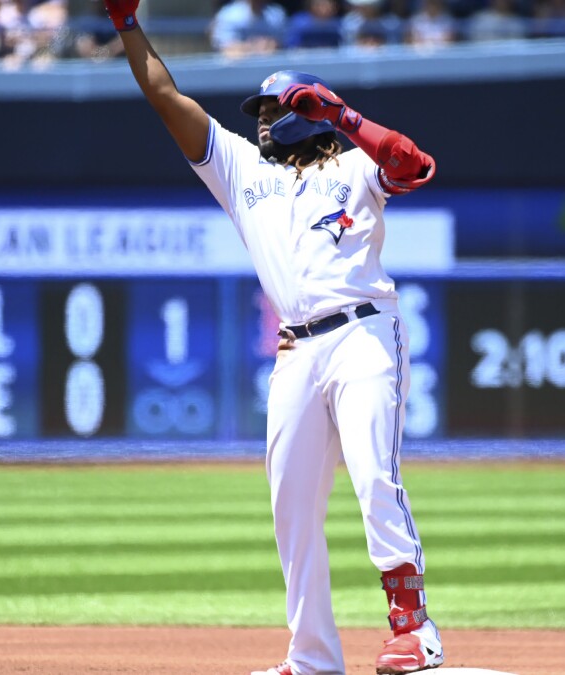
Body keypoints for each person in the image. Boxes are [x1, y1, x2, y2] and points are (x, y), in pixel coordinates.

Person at [104, 0, 444, 672]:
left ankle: (415, 629)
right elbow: (164, 93)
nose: (258, 123)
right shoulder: (242, 171)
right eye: (258, 113)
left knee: (377, 475)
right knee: (291, 501)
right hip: (297, 349)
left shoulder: (351, 166)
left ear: (300, 112)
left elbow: (415, 166)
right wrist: (126, 26)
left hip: (363, 336)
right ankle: (313, 654)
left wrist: (341, 115)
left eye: (268, 110)